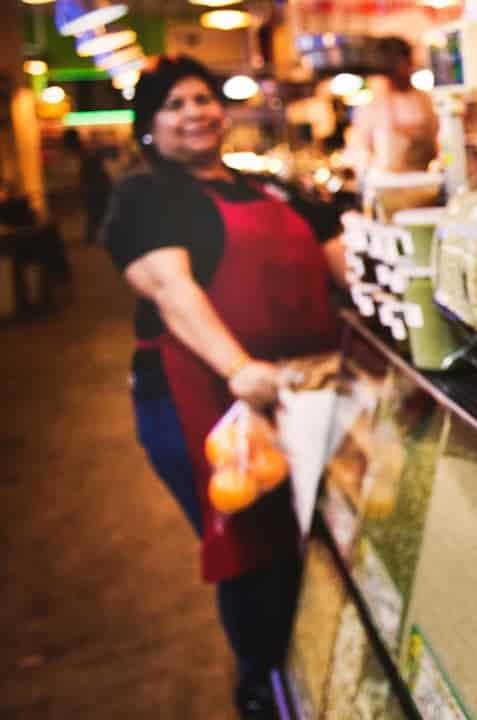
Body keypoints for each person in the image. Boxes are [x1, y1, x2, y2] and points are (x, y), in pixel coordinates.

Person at [100, 55, 347, 719]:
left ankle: (316, 669)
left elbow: (343, 260)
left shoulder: (272, 190)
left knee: (313, 536)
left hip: (304, 392)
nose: (195, 113)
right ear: (149, 126)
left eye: (203, 98)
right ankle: (263, 688)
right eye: (174, 104)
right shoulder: (145, 195)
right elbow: (170, 289)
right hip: (201, 397)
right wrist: (239, 368)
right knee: (251, 546)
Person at [345, 36, 440, 176]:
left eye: (403, 66)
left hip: (427, 183)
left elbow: (440, 141)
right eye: (394, 70)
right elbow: (357, 152)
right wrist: (373, 170)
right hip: (389, 187)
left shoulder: (427, 101)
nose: (400, 74)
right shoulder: (372, 107)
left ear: (410, 63)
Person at [62, 129, 112, 245]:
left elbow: (92, 172)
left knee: (96, 212)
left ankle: (95, 237)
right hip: (98, 186)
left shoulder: (84, 152)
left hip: (97, 187)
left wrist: (84, 185)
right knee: (97, 212)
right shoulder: (85, 151)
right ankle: (94, 236)